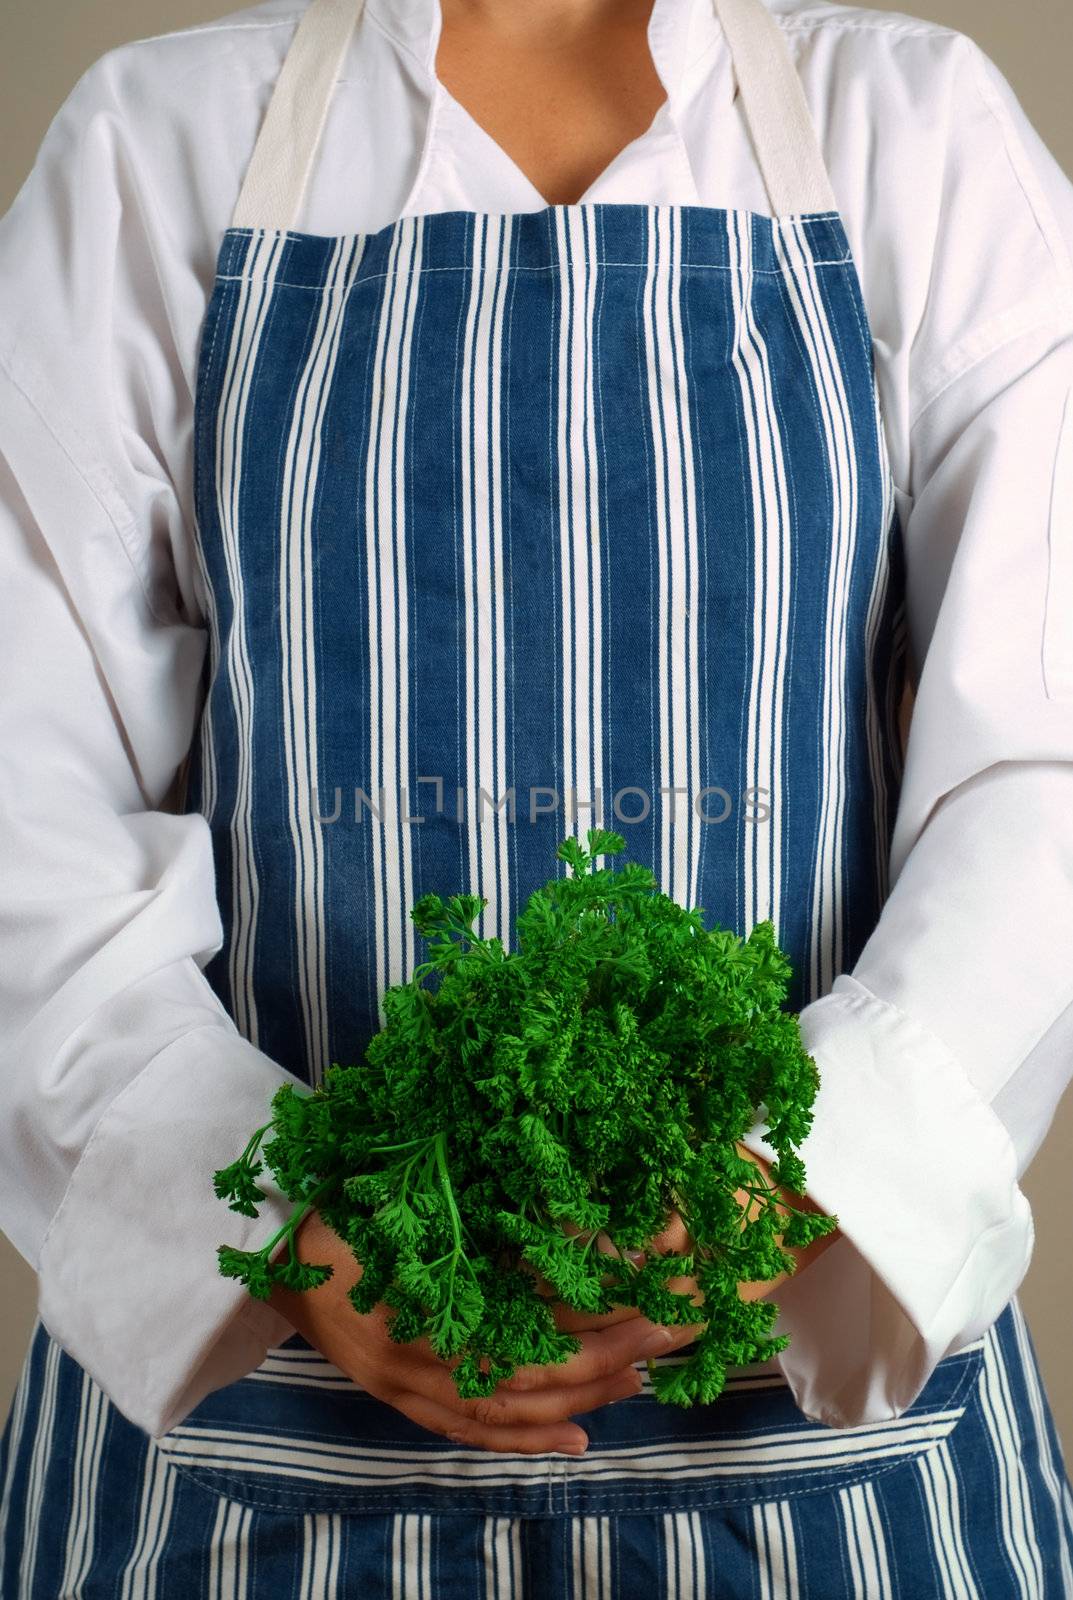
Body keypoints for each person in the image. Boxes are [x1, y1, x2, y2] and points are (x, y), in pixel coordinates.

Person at [1, 0, 1072, 1590]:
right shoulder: (159, 146)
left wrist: (797, 1172)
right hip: (254, 1463)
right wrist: (282, 1223)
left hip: (805, 1461)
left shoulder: (904, 131)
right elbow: (25, 772)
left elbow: (1037, 763)